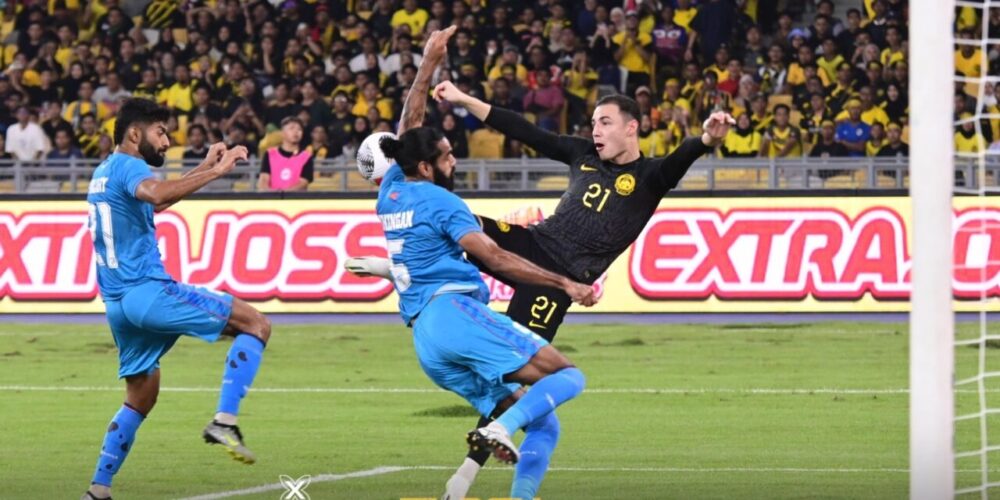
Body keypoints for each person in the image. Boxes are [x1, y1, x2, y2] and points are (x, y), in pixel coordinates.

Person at [351, 62, 733, 499]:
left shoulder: (651, 177)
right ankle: (401, 268)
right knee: (454, 221)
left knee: (513, 382)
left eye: (605, 123)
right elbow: (526, 131)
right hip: (530, 245)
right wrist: (461, 98)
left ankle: (463, 478)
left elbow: (684, 155)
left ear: (632, 128)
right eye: (594, 122)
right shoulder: (583, 155)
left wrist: (707, 139)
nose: (596, 130)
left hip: (555, 282)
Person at [81, 98, 270, 500]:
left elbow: (158, 200)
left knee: (140, 397)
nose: (167, 141)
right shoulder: (132, 166)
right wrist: (218, 169)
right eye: (161, 132)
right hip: (147, 291)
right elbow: (155, 193)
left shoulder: (104, 171)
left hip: (117, 305)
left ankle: (98, 489)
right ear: (135, 133)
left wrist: (202, 168)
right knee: (256, 324)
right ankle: (224, 421)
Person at [257, 116, 314, 192]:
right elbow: (263, 180)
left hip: (295, 198)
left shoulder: (306, 157)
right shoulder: (270, 154)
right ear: (282, 133)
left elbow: (303, 183)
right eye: (291, 128)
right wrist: (272, 195)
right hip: (272, 198)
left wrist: (284, 195)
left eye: (299, 129)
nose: (296, 131)